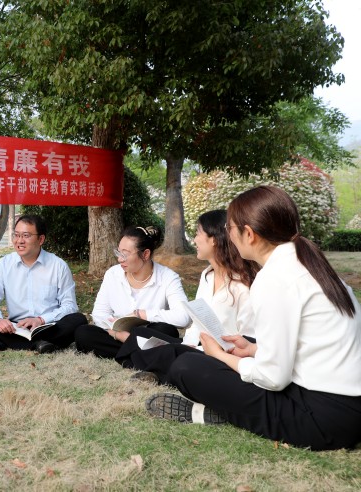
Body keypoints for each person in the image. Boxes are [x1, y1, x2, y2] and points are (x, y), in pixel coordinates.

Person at [146, 186, 361, 451]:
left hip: (324, 418)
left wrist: (221, 356)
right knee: (233, 347)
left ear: (248, 234)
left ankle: (217, 412)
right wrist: (253, 349)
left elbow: (273, 378)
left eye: (230, 228)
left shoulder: (274, 279)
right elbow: (312, 344)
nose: (228, 235)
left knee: (187, 367)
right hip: (343, 404)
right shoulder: (310, 265)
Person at [119, 210, 257, 383]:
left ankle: (150, 366)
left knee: (173, 354)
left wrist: (211, 349)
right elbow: (197, 322)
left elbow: (248, 338)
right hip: (195, 346)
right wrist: (187, 343)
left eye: (198, 233)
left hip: (220, 355)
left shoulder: (242, 285)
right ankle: (152, 365)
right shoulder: (207, 276)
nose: (194, 240)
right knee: (141, 333)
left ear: (213, 239)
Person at [0, 214, 86, 353]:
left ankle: (9, 343)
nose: (19, 241)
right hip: (15, 327)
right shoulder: (5, 263)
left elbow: (70, 305)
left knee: (78, 319)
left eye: (26, 236)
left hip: (47, 327)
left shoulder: (58, 266)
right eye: (16, 235)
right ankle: (39, 344)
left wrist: (40, 320)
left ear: (41, 239)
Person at [74, 225, 190, 358]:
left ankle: (129, 352)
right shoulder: (113, 274)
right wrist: (117, 334)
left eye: (125, 254)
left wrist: (141, 314)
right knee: (83, 333)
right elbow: (99, 313)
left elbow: (183, 317)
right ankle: (143, 353)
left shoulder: (168, 277)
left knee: (166, 330)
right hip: (119, 336)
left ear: (145, 254)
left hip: (149, 334)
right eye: (118, 252)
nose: (120, 259)